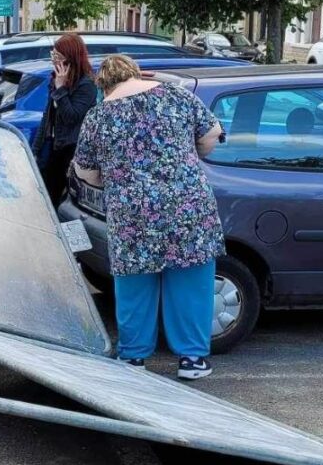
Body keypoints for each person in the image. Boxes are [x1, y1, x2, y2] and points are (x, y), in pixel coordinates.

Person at [71, 54, 225, 380]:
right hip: (189, 208)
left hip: (133, 214)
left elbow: (84, 171)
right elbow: (212, 134)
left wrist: (111, 178)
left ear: (105, 85)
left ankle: (134, 358)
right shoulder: (178, 96)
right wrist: (186, 157)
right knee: (191, 283)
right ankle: (192, 360)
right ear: (136, 74)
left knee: (135, 285)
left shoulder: (98, 117)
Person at [32, 34, 98, 203]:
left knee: (63, 199)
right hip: (55, 145)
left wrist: (61, 90)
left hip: (72, 149)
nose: (54, 62)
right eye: (52, 56)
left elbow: (71, 117)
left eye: (58, 57)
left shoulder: (86, 84)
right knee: (46, 195)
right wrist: (36, 148)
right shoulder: (56, 78)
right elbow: (48, 116)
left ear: (70, 59)